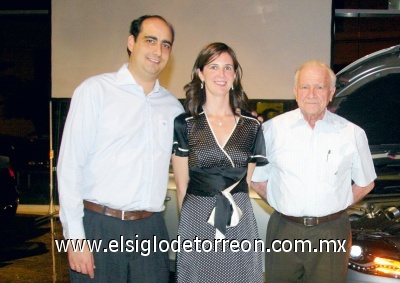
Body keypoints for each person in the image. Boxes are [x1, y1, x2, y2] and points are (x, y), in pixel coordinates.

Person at [57, 15, 183, 282]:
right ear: (131, 42)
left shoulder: (173, 108)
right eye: (150, 41)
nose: (158, 51)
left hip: (151, 230)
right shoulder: (95, 91)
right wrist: (76, 238)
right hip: (99, 227)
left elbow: (192, 163)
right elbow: (69, 168)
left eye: (165, 45)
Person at [251, 60, 377, 283]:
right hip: (284, 229)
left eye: (319, 87)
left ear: (331, 93)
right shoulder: (271, 130)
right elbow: (258, 180)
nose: (311, 94)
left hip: (331, 231)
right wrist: (284, 203)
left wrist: (333, 205)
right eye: (304, 86)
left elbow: (366, 183)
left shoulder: (352, 134)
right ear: (295, 92)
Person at [172, 42, 268, 283]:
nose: (221, 74)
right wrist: (188, 231)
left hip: (238, 216)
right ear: (200, 73)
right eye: (213, 66)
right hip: (197, 216)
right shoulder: (185, 123)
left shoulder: (251, 125)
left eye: (228, 68)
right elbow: (182, 186)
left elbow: (245, 182)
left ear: (235, 75)